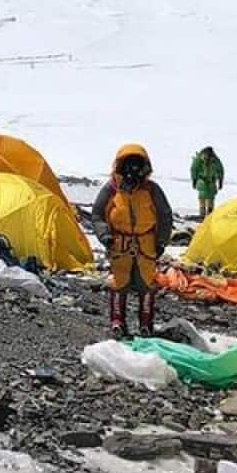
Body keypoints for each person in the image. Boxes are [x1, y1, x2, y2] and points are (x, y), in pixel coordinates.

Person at [91, 144, 173, 339]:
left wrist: (161, 241)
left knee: (146, 284)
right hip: (119, 243)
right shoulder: (112, 189)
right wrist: (105, 236)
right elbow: (98, 214)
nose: (132, 171)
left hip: (146, 243)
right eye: (128, 165)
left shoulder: (151, 190)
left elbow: (165, 215)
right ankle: (117, 321)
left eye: (137, 165)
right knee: (120, 283)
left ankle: (146, 324)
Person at [189, 146, 224, 218]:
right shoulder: (200, 160)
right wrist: (194, 180)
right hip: (203, 182)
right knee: (203, 198)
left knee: (209, 199)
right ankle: (203, 215)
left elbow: (220, 171)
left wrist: (220, 181)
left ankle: (208, 215)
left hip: (210, 182)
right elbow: (194, 169)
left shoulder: (215, 161)